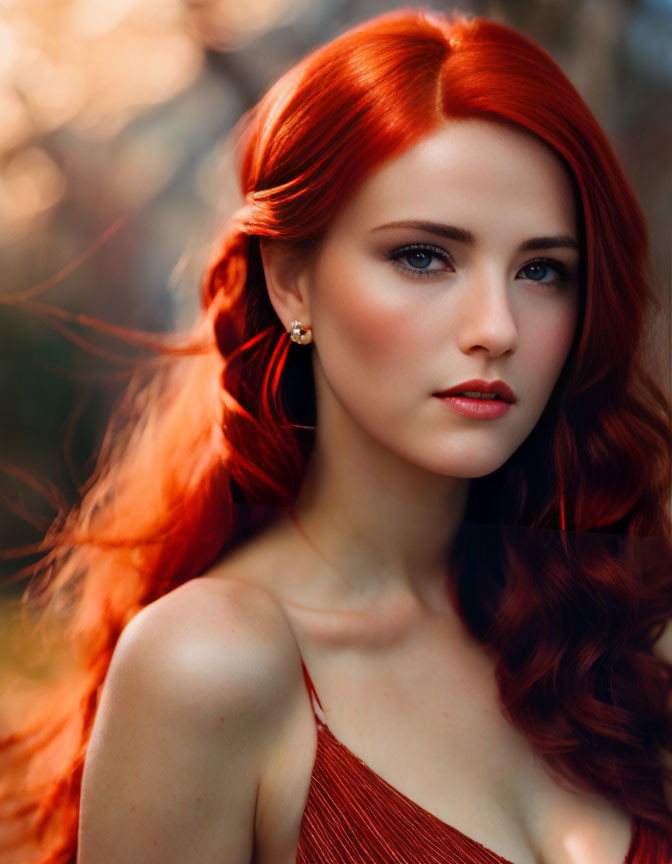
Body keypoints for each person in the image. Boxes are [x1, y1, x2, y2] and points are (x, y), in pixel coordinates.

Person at [2, 8, 672, 864]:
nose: (497, 326)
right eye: (425, 257)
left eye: (542, 270)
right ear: (292, 285)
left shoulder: (612, 625)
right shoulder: (210, 664)